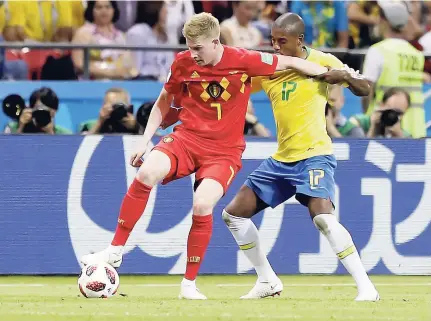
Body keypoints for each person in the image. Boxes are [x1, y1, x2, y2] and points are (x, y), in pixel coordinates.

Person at [80, 12, 328, 300]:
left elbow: (292, 61)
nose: (192, 54)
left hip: (224, 152)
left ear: (215, 41)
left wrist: (336, 74)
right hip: (187, 139)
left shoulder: (244, 59)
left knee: (202, 204)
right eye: (188, 46)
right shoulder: (183, 63)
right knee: (147, 171)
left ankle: (188, 284)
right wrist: (145, 141)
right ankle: (116, 249)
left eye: (198, 48)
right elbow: (163, 102)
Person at [222, 13, 380, 302]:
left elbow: (364, 87)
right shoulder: (268, 67)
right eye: (272, 41)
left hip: (314, 155)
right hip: (282, 159)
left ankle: (366, 288)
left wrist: (343, 76)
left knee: (323, 219)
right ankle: (267, 280)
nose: (276, 46)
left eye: (282, 41)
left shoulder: (322, 60)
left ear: (300, 40)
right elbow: (236, 85)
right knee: (233, 215)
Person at [362, 1, 425, 138]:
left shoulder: (377, 50)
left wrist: (367, 116)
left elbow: (366, 89)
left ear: (385, 21)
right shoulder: (416, 54)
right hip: (416, 126)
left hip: (386, 126)